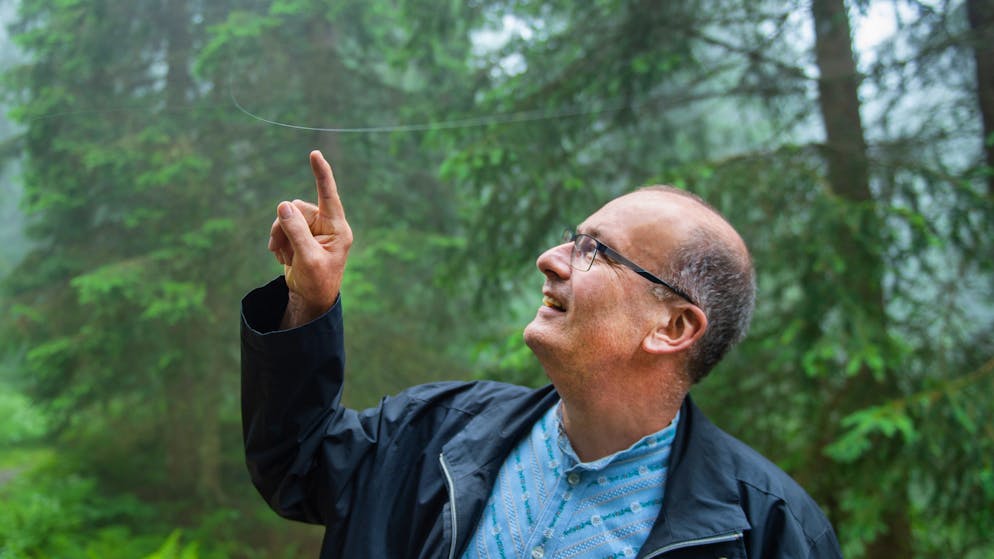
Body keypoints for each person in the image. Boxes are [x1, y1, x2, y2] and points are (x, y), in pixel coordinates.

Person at [241, 150, 843, 558]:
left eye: (597, 252)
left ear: (674, 326)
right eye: (571, 238)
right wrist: (308, 306)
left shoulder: (772, 532)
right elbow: (299, 465)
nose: (551, 259)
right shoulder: (434, 432)